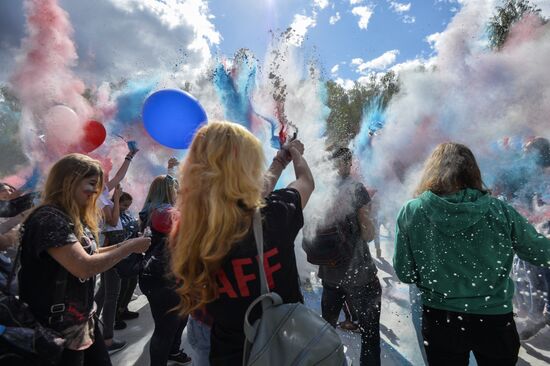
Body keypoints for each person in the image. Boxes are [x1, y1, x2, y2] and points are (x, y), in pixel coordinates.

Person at [169, 121, 314, 365]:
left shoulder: (188, 228)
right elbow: (306, 183)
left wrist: (280, 161)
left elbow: (251, 195)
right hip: (278, 342)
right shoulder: (275, 215)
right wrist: (296, 154)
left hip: (219, 346)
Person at [393, 142, 550, 366]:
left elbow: (405, 273)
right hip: (494, 319)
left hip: (440, 318)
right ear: (472, 172)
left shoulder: (412, 211)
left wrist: (441, 282)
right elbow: (542, 252)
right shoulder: (500, 211)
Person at [18, 153, 150, 366]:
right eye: (91, 184)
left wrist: (127, 245)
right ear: (69, 180)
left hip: (82, 322)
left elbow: (89, 253)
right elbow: (83, 267)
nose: (96, 192)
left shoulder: (69, 217)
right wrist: (130, 247)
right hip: (57, 330)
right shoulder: (49, 219)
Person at [317, 147, 380, 366]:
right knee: (370, 336)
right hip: (360, 274)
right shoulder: (356, 189)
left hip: (329, 275)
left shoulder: (320, 190)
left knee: (327, 334)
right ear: (346, 163)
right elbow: (368, 234)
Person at [139, 160, 192, 366]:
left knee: (180, 319)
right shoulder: (164, 213)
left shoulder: (152, 209)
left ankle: (173, 350)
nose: (178, 191)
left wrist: (171, 171)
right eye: (175, 188)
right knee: (165, 329)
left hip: (162, 275)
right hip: (164, 278)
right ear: (170, 191)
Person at [115, 192, 140, 325]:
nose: (126, 207)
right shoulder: (114, 215)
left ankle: (124, 309)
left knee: (132, 282)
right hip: (122, 255)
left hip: (132, 253)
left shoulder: (127, 214)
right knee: (123, 286)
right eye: (124, 205)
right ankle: (116, 315)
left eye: (128, 205)